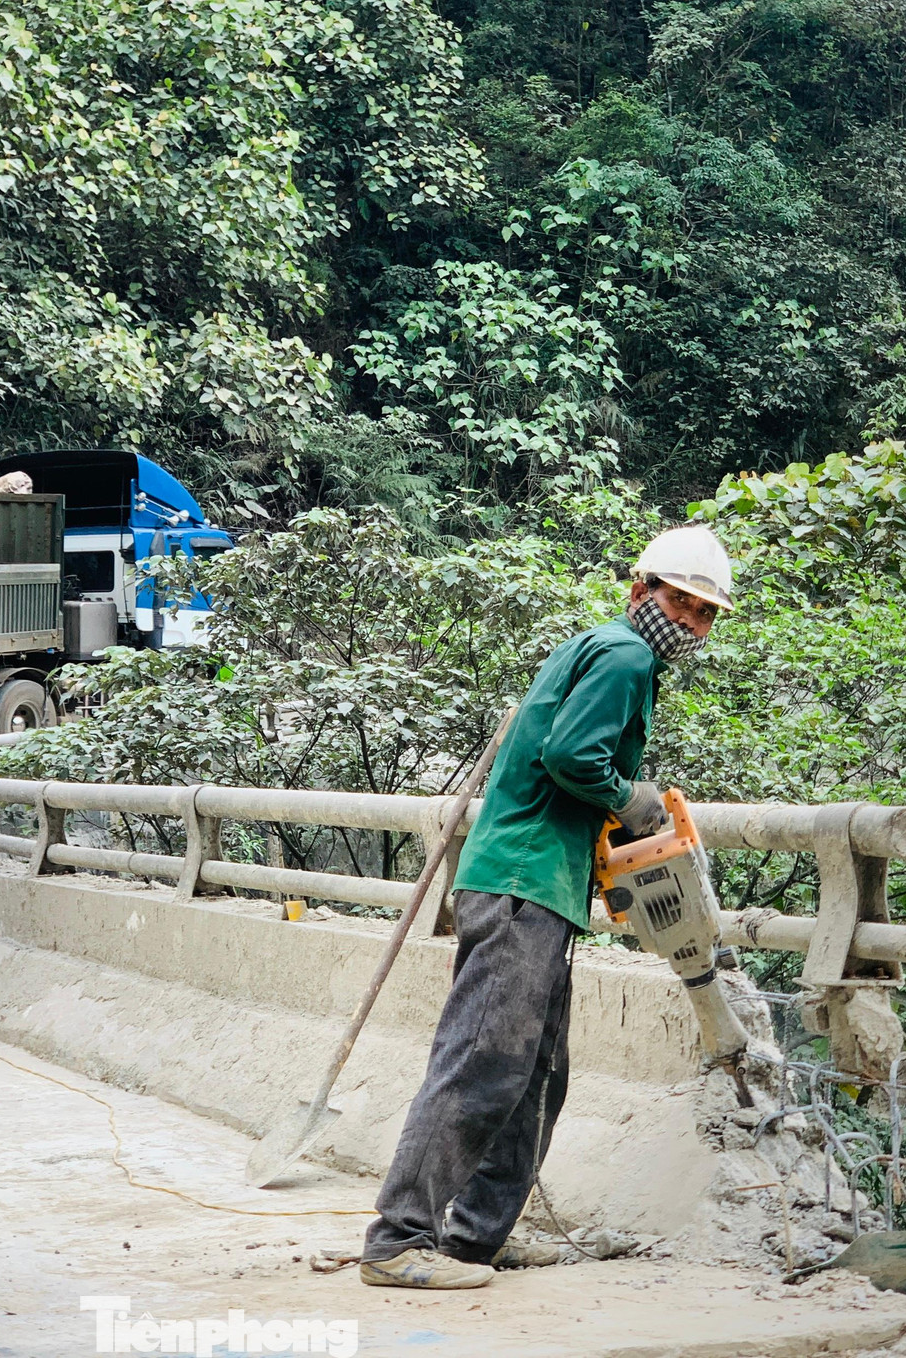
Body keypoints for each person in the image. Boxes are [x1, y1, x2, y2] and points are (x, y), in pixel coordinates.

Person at [359, 526, 734, 1290]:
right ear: (642, 590)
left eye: (704, 614)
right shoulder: (627, 655)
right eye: (682, 604)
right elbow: (571, 757)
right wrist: (633, 799)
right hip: (520, 882)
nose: (690, 624)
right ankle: (398, 1240)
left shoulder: (602, 649)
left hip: (544, 886)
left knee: (535, 1073)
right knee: (484, 1062)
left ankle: (474, 1239)